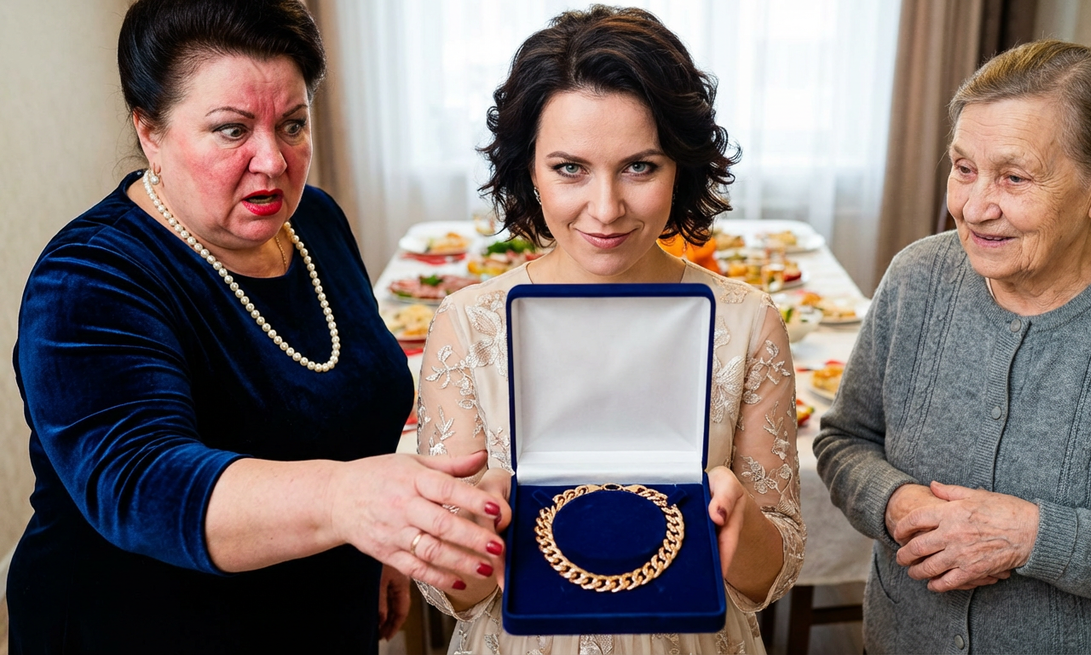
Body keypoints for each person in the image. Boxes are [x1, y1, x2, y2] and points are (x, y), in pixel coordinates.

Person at [6, 1, 509, 652]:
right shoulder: (89, 279)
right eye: (231, 130)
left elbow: (353, 398)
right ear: (149, 130)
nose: (272, 160)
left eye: (292, 124)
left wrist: (378, 542)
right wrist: (348, 502)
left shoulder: (314, 222)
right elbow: (143, 483)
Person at [411, 6, 806, 654]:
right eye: (570, 168)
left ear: (680, 167)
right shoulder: (466, 325)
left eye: (639, 167)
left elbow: (775, 571)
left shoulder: (747, 321)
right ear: (529, 169)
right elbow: (451, 593)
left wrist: (742, 529)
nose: (605, 208)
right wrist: (473, 536)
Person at [814, 39, 1091, 654]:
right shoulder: (916, 277)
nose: (973, 208)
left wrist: (1030, 536)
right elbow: (843, 440)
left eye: (1014, 178)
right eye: (963, 168)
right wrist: (896, 503)